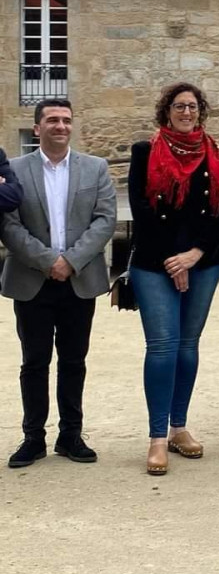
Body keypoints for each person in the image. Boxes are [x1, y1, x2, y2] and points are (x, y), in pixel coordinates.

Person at [1, 99, 116, 468]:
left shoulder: (95, 168)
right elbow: (8, 224)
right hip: (32, 280)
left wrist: (71, 261)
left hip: (79, 280)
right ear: (37, 128)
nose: (60, 126)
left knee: (73, 361)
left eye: (66, 120)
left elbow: (104, 220)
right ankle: (33, 438)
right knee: (34, 362)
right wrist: (49, 261)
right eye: (52, 120)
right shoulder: (15, 170)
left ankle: (70, 436)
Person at [128, 82, 219, 476]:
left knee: (188, 346)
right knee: (162, 346)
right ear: (166, 111)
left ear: (200, 112)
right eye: (179, 106)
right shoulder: (145, 152)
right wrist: (175, 261)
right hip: (155, 263)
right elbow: (141, 209)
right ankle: (157, 438)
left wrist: (194, 256)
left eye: (192, 106)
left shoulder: (216, 154)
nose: (186, 112)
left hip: (202, 262)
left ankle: (179, 427)